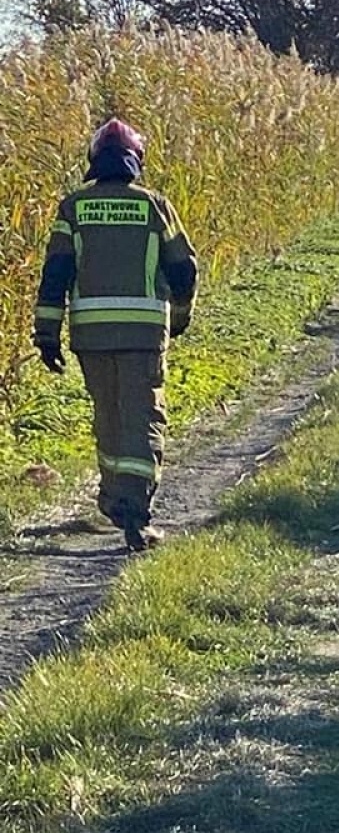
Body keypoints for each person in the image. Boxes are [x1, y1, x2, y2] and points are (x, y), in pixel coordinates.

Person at [33, 117, 198, 551]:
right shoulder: (154, 207)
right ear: (135, 161)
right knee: (142, 420)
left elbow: (56, 275)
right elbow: (184, 269)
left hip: (91, 336)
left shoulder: (73, 208)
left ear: (95, 161)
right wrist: (180, 316)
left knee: (108, 418)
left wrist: (46, 333)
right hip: (143, 335)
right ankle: (136, 516)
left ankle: (114, 501)